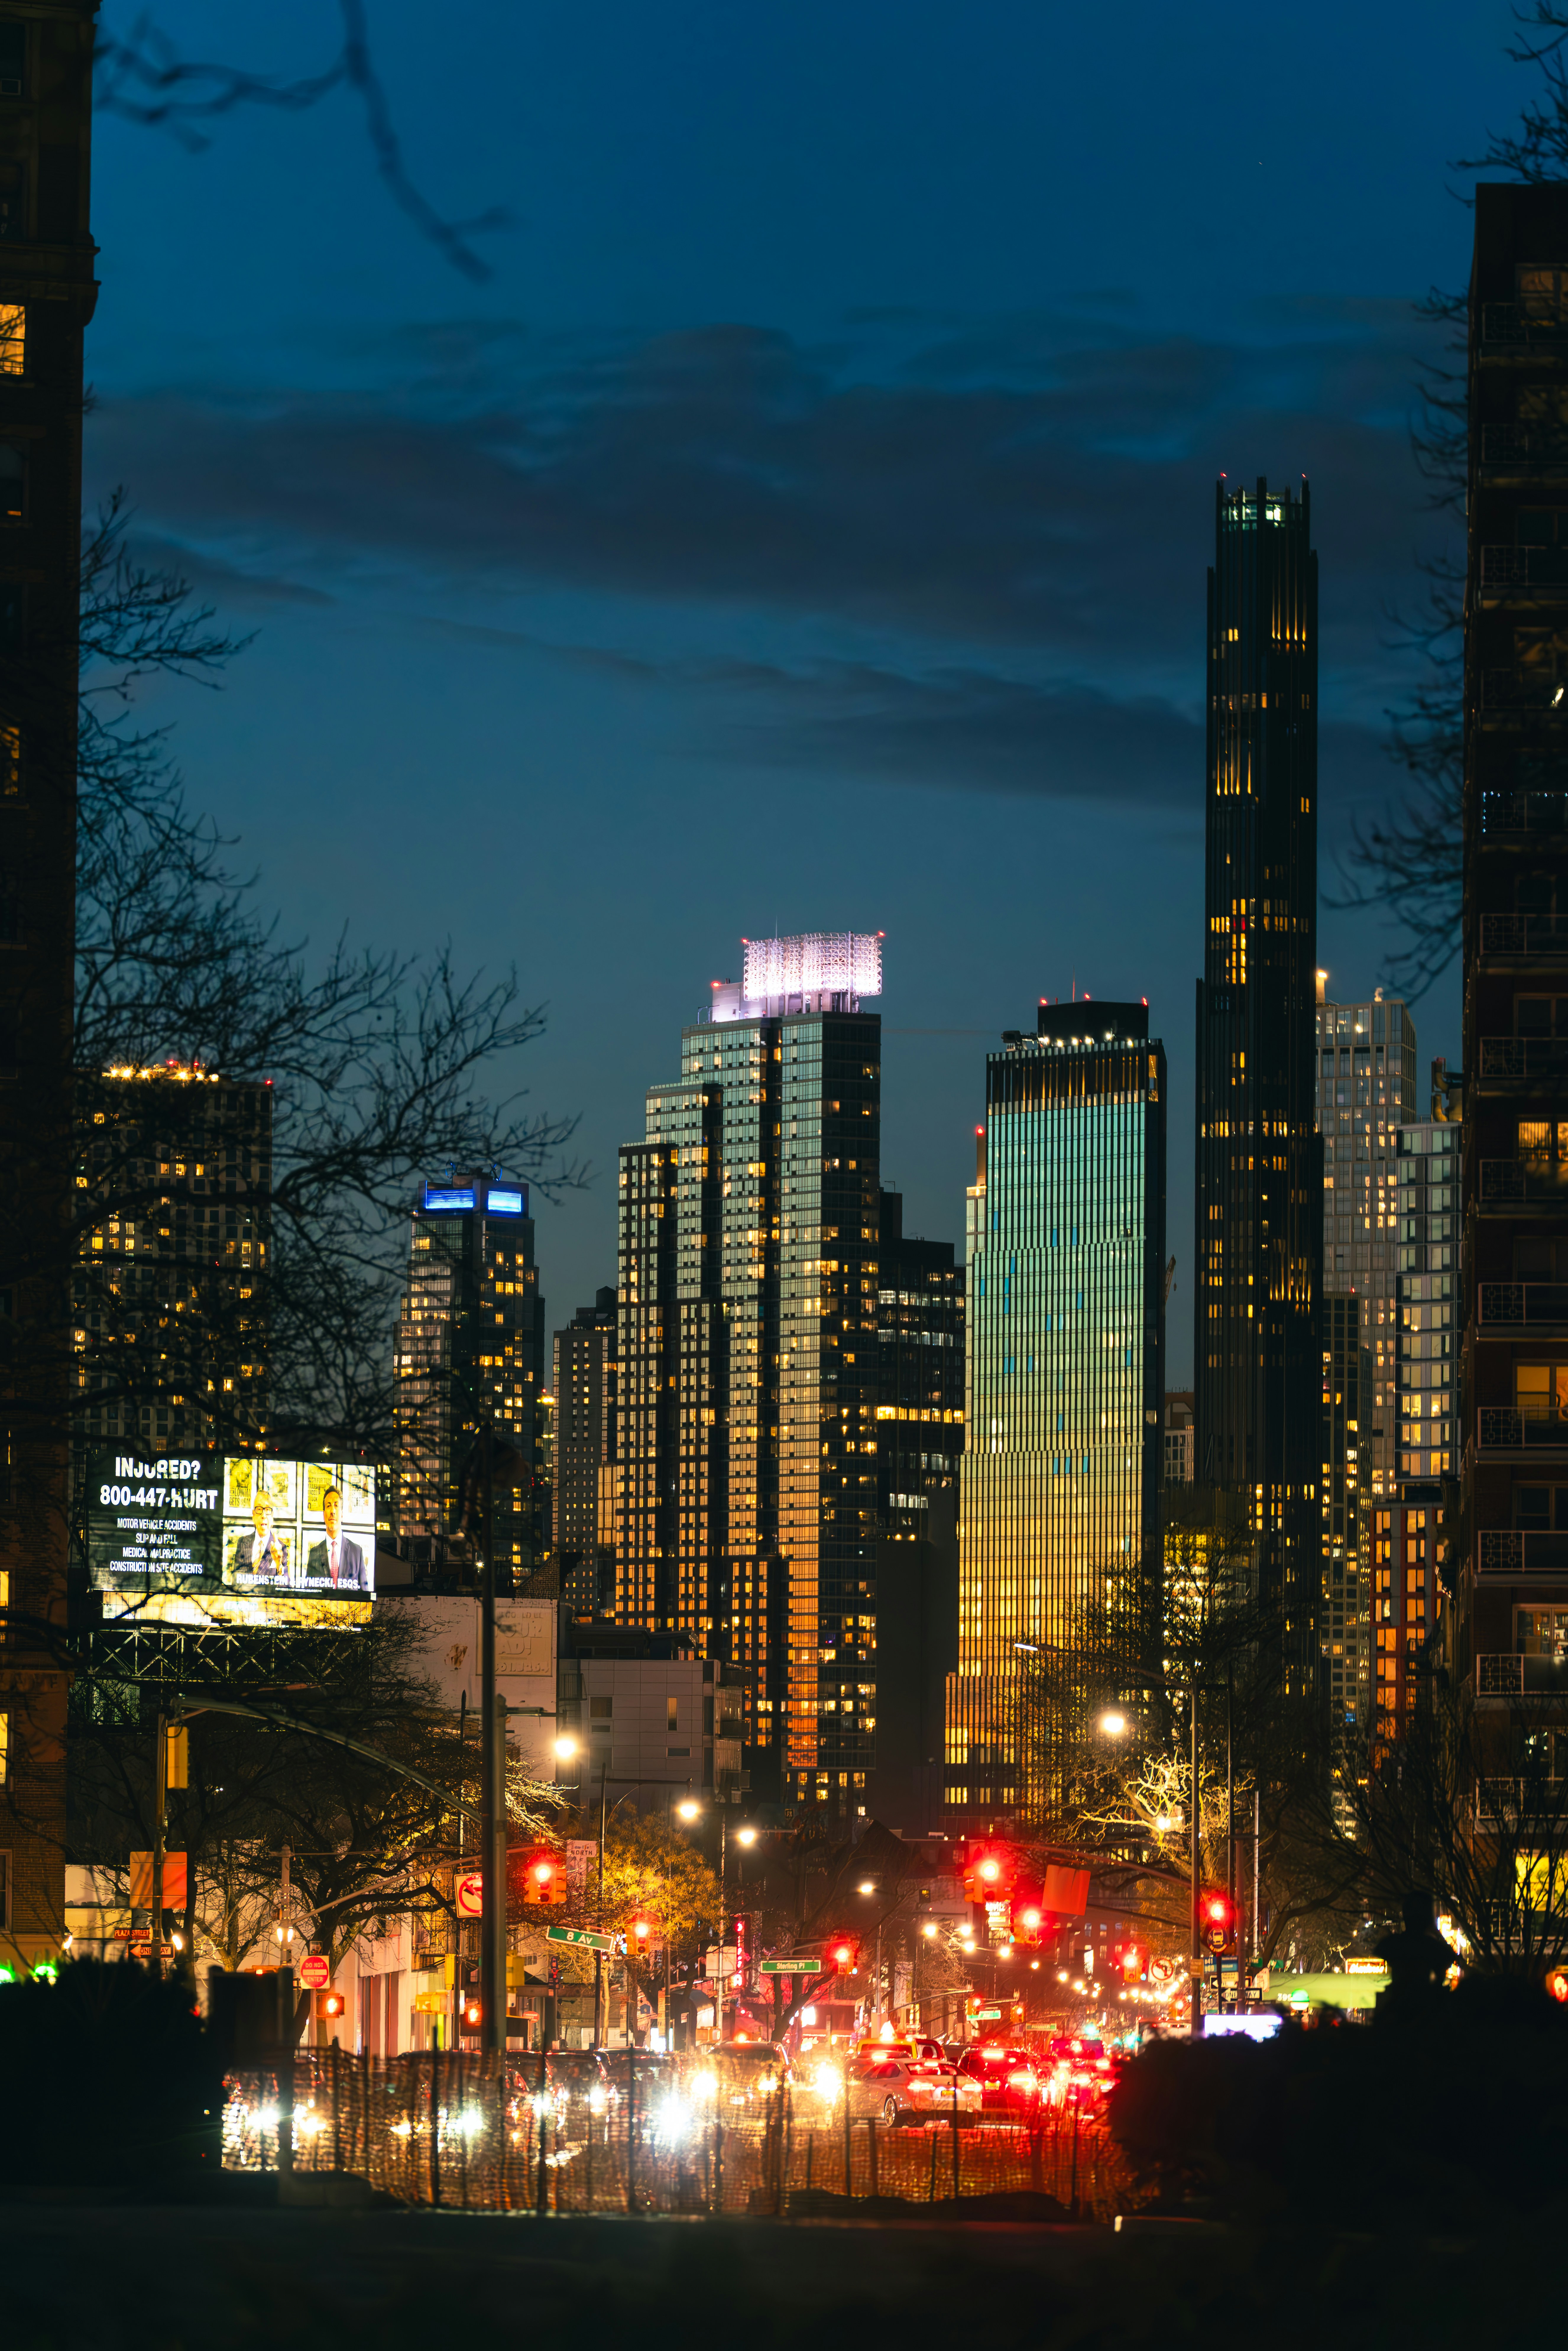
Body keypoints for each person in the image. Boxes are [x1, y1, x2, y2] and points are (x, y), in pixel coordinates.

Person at [306, 1484, 368, 1589]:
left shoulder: (357, 1552)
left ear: (342, 1515)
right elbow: (309, 1595)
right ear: (324, 1516)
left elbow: (365, 1596)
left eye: (336, 1506)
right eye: (329, 1506)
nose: (333, 1511)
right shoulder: (314, 1554)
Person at [232, 1492, 290, 1581]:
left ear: (272, 1517)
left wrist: (279, 1566)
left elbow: (287, 1587)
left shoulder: (281, 1548)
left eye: (268, 1510)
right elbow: (236, 1581)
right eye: (259, 1509)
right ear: (254, 1516)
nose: (263, 1516)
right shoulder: (242, 1543)